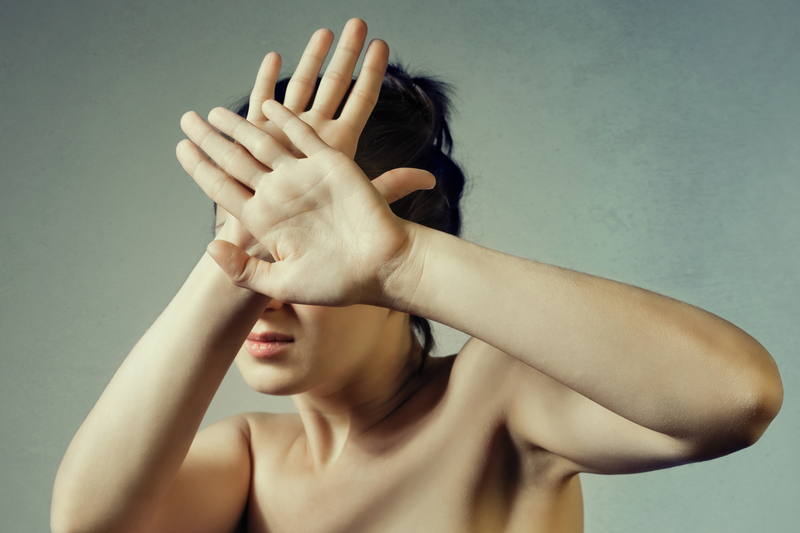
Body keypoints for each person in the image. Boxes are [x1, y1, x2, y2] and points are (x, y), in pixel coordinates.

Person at [51, 18, 783, 533]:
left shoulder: (496, 401)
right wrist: (235, 249)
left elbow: (737, 396)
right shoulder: (248, 459)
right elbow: (89, 523)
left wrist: (406, 262)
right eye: (244, 241)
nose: (267, 293)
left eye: (300, 254)